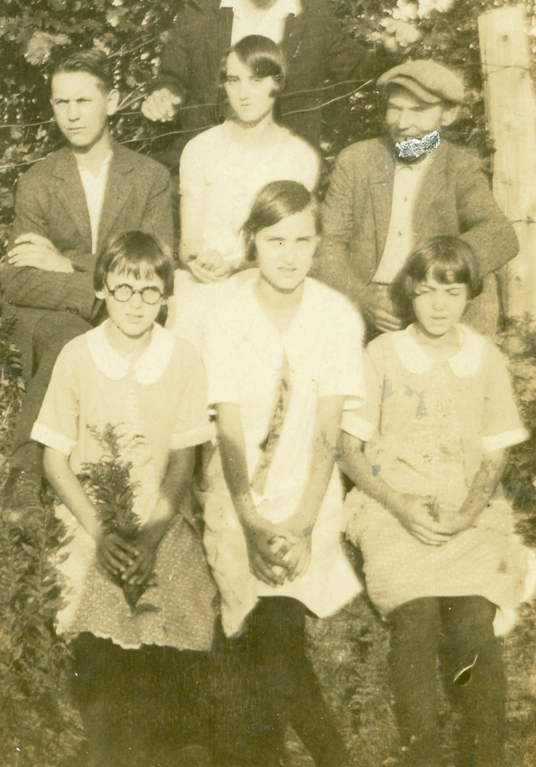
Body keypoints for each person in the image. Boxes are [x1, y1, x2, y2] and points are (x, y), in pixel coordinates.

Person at [338, 236, 533, 767]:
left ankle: (485, 755)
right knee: (417, 618)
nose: (439, 305)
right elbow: (349, 450)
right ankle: (421, 751)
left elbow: (495, 455)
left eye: (451, 292)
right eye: (426, 292)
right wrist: (399, 504)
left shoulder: (484, 358)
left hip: (464, 510)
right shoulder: (381, 354)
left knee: (472, 618)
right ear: (409, 294)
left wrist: (468, 514)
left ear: (469, 292)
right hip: (394, 507)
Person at [30, 231, 217, 767]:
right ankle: (110, 743)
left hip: (160, 515)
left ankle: (176, 742)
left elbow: (183, 459)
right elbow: (54, 459)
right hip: (92, 519)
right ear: (102, 290)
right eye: (123, 290)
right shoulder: (77, 356)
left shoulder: (182, 358)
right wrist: (102, 530)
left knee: (175, 610)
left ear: (166, 296)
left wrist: (155, 534)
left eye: (150, 292)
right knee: (101, 614)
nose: (136, 305)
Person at [201, 180, 364, 767]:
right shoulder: (223, 314)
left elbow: (328, 432)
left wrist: (298, 522)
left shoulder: (336, 316)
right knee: (264, 640)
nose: (289, 255)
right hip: (235, 492)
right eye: (275, 241)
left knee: (274, 630)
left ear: (318, 244)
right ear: (251, 242)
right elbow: (228, 427)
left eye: (302, 240)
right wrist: (248, 517)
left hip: (308, 495)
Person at [0, 50, 173, 516]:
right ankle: (27, 477)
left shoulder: (150, 178)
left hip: (131, 306)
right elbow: (17, 278)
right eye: (60, 103)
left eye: (83, 101)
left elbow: (157, 265)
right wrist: (93, 293)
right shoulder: (39, 179)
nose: (72, 115)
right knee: (65, 335)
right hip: (57, 315)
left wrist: (64, 262)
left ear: (112, 101)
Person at [142, 0, 387, 167]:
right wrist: (163, 94)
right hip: (210, 170)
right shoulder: (201, 14)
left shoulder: (313, 17)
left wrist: (392, 51)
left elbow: (361, 73)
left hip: (285, 173)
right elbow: (170, 79)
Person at [317, 59, 518, 335]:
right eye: (395, 108)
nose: (402, 123)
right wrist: (361, 298)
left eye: (419, 110)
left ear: (446, 116)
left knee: (483, 282)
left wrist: (429, 283)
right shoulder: (356, 161)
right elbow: (328, 243)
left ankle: (465, 367)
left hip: (432, 299)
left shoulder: (460, 167)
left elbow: (501, 235)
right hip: (364, 299)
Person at [179, 34, 319, 282]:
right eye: (234, 80)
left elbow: (288, 243)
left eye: (256, 80)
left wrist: (234, 266)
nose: (243, 93)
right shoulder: (200, 148)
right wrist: (196, 260)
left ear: (277, 83)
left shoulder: (299, 158)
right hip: (204, 280)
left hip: (267, 280)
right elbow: (189, 240)